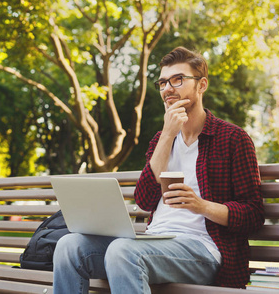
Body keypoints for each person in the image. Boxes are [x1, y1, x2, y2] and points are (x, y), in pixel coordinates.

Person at [53, 46, 264, 294]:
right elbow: (144, 199)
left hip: (204, 250)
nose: (167, 89)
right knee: (69, 245)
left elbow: (253, 214)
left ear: (201, 85)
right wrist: (167, 135)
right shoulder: (161, 139)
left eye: (178, 80)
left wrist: (200, 205)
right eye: (163, 82)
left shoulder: (232, 138)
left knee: (124, 252)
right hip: (153, 243)